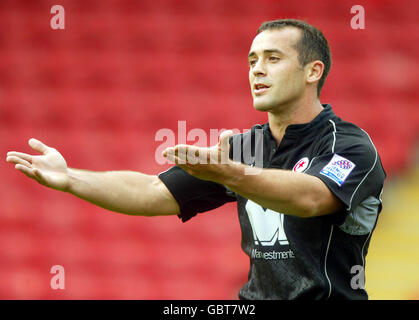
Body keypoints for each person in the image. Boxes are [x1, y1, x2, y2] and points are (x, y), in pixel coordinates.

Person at [6, 19, 385, 300]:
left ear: (312, 71)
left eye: (273, 58)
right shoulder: (246, 147)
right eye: (252, 59)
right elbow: (152, 192)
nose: (257, 69)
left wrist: (232, 174)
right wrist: (70, 177)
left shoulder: (348, 144)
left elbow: (310, 198)